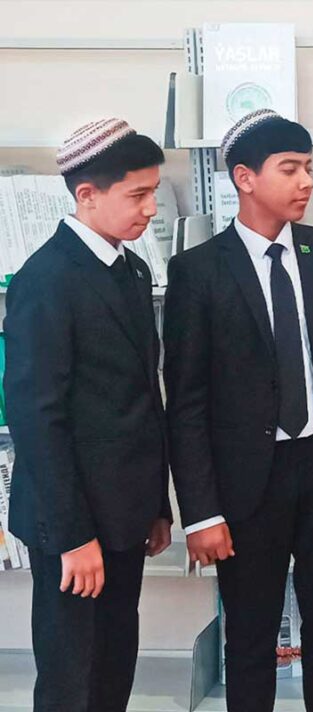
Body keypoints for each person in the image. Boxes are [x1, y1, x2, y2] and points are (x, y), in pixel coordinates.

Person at [163, 109, 313, 711]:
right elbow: (186, 405)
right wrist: (200, 513)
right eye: (290, 169)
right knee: (251, 636)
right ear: (245, 177)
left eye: (309, 167)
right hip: (245, 485)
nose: (306, 181)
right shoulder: (197, 272)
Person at [4, 118, 172, 712]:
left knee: (114, 662)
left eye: (154, 192)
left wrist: (157, 505)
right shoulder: (45, 280)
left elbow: (143, 398)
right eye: (138, 194)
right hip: (71, 522)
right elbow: (35, 418)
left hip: (126, 512)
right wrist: (74, 537)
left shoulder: (132, 269)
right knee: (70, 675)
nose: (151, 209)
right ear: (87, 194)